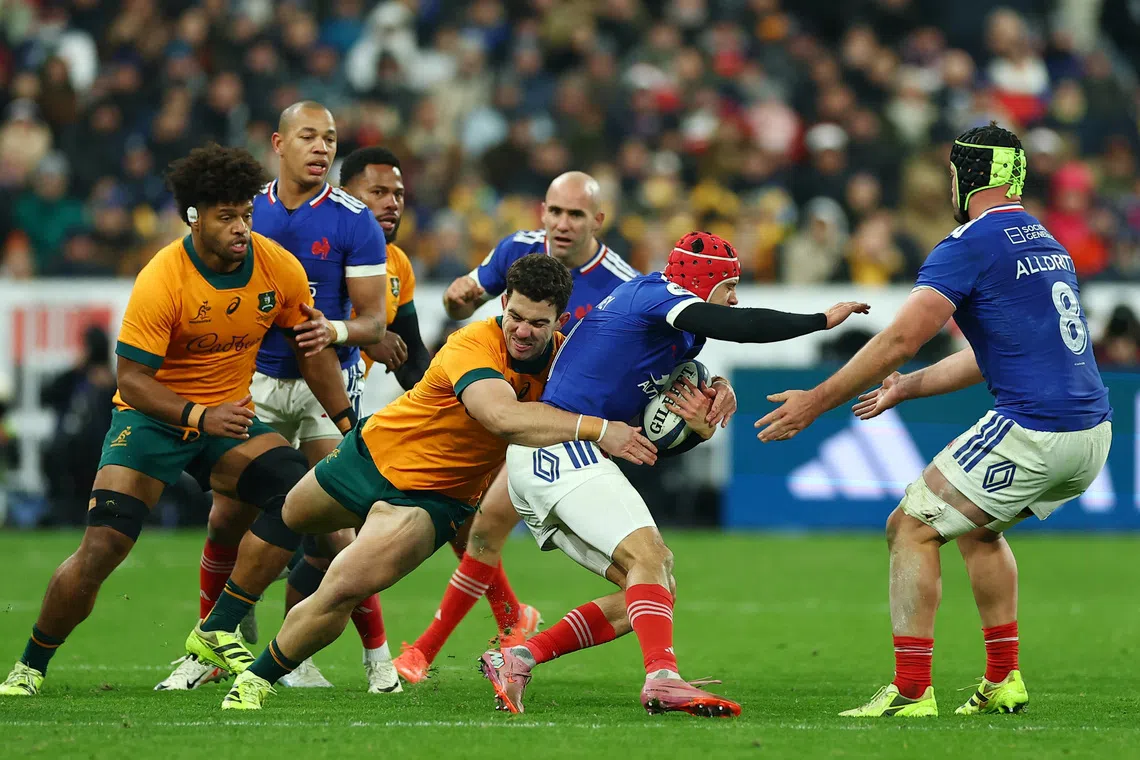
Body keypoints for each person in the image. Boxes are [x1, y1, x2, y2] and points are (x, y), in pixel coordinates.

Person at [755, 122, 1112, 717]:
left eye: (952, 174)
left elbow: (900, 339)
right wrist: (908, 386)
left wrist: (816, 401)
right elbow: (992, 351)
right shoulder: (1045, 241)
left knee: (910, 526)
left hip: (1036, 428)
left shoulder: (970, 242)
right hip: (1093, 433)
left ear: (967, 176)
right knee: (977, 529)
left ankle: (912, 691)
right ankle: (1003, 679)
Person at [219, 254, 657, 710]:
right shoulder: (473, 342)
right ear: (503, 304)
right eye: (516, 316)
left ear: (560, 322)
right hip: (370, 453)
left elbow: (629, 406)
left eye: (538, 323)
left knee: (343, 589)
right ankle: (233, 612)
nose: (523, 331)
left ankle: (253, 679)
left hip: (430, 502)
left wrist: (689, 416)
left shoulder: (567, 367)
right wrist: (599, 430)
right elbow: (500, 416)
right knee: (289, 515)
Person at [0, 143, 355, 696]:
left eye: (245, 214)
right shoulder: (162, 277)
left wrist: (348, 424)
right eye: (226, 216)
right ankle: (30, 665)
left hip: (226, 421)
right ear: (193, 217)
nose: (241, 228)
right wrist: (199, 415)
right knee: (103, 548)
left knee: (299, 498)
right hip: (153, 420)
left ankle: (216, 629)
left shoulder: (278, 267)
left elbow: (311, 351)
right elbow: (131, 381)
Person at [481, 231, 869, 718]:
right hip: (556, 445)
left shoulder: (672, 332)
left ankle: (518, 658)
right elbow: (737, 325)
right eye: (729, 287)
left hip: (557, 458)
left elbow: (654, 439)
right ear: (703, 282)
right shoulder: (652, 294)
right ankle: (662, 678)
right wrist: (819, 320)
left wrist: (706, 413)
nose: (734, 298)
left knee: (653, 587)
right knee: (651, 557)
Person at [156, 103, 399, 694]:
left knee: (334, 529)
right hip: (252, 382)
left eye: (330, 139)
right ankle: (213, 649)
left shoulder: (354, 220)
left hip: (326, 383)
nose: (321, 148)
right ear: (278, 143)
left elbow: (375, 322)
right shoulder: (245, 211)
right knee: (226, 517)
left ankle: (378, 660)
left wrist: (333, 330)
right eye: (308, 136)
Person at [394, 171, 640, 683]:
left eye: (575, 215)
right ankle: (503, 623)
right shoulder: (516, 250)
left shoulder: (623, 285)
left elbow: (654, 354)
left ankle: (432, 648)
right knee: (471, 526)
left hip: (566, 431)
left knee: (488, 529)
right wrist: (457, 299)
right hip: (508, 411)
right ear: (542, 211)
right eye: (555, 211)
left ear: (598, 220)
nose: (562, 224)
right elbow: (465, 301)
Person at [270, 145, 434, 690]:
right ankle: (374, 661)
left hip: (345, 404)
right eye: (377, 192)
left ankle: (296, 656)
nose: (391, 204)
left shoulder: (397, 265)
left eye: (399, 194)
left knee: (334, 541)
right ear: (346, 197)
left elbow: (412, 357)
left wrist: (452, 410)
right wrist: (361, 334)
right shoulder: (316, 246)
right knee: (330, 535)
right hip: (288, 392)